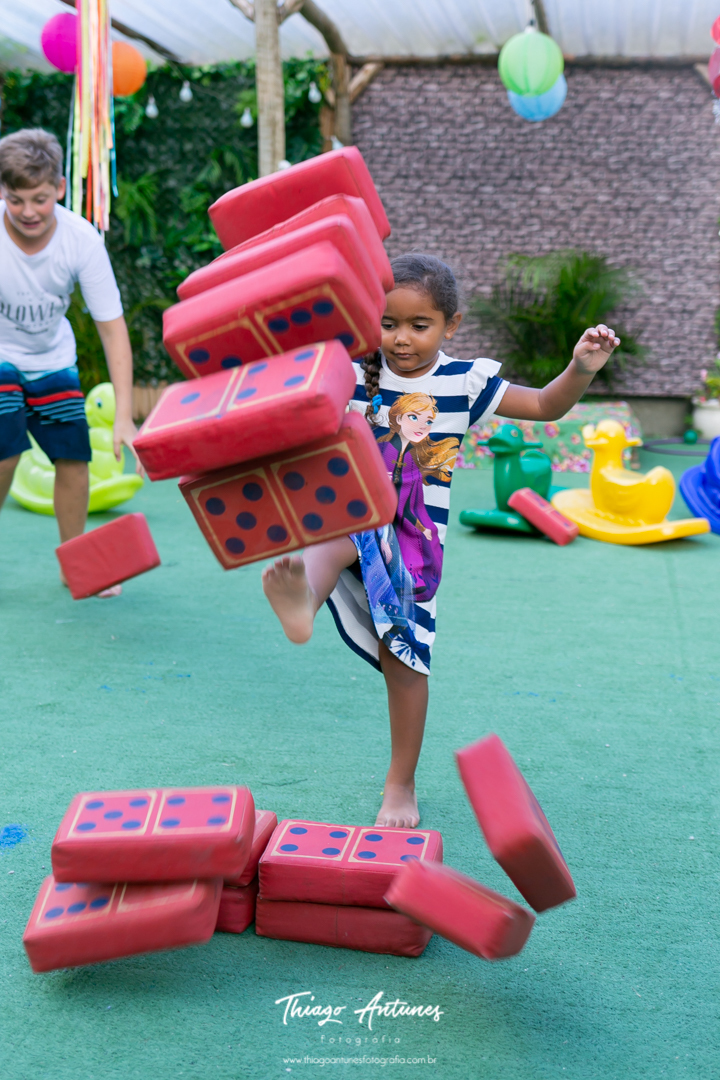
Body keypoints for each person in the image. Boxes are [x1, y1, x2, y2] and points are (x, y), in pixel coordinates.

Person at [262, 253, 619, 827]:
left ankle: (399, 784)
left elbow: (546, 406)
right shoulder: (351, 373)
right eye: (388, 323)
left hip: (412, 544)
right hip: (354, 516)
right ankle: (301, 605)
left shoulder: (464, 380)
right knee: (331, 537)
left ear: (450, 324)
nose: (401, 338)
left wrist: (582, 366)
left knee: (405, 664)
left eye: (418, 325)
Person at [0, 127, 139, 594]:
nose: (27, 212)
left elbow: (113, 330)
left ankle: (75, 563)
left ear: (59, 188)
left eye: (39, 198)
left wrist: (123, 417)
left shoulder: (81, 240)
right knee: (5, 451)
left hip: (51, 357)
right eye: (15, 199)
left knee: (74, 459)